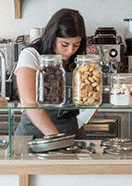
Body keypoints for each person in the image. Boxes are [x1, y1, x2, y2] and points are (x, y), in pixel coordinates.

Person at [14, 8, 87, 137]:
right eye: (64, 44)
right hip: (33, 136)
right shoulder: (31, 55)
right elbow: (30, 103)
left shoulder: (80, 60)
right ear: (52, 37)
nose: (70, 51)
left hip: (71, 134)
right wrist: (57, 139)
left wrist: (84, 117)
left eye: (76, 45)